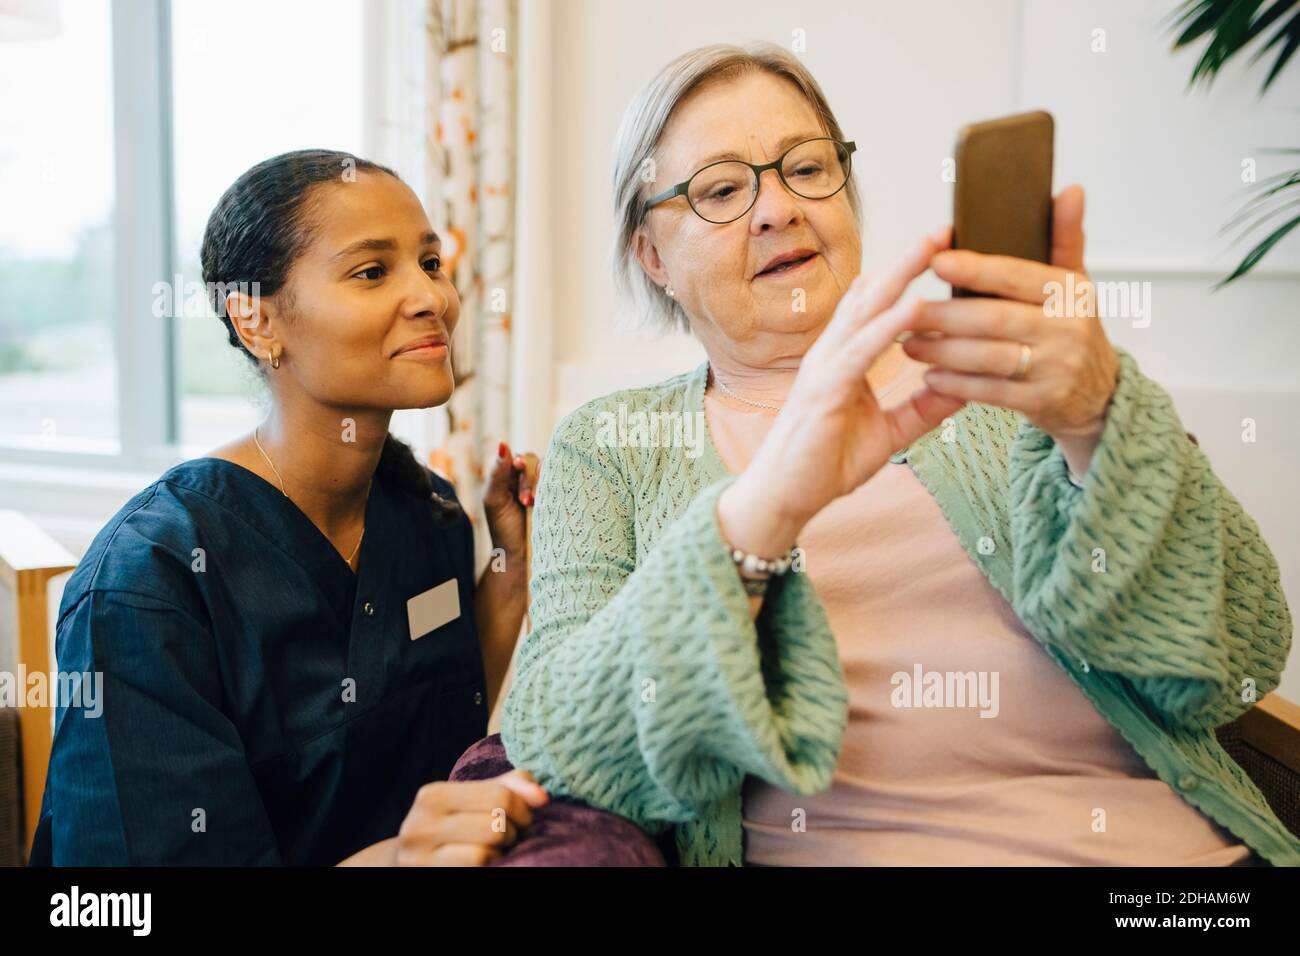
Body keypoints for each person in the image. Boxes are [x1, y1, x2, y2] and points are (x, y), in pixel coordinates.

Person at [498, 43, 1298, 866]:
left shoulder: (1011, 373)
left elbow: (1237, 655)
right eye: (722, 190)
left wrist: (1100, 422)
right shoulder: (611, 445)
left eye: (805, 167)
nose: (776, 209)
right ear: (653, 257)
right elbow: (561, 741)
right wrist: (766, 508)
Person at [31, 149, 548, 866]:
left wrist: (513, 567)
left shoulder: (427, 512)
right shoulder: (149, 581)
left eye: (431, 262)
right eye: (372, 271)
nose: (432, 297)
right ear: (257, 321)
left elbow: (445, 712)